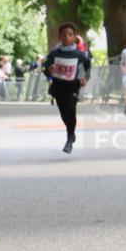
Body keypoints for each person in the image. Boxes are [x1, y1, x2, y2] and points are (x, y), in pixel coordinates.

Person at [43, 22, 91, 154]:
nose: (67, 37)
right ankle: (71, 131)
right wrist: (49, 70)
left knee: (71, 110)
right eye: (64, 35)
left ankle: (70, 137)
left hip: (73, 87)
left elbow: (88, 67)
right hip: (58, 87)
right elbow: (45, 68)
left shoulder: (79, 54)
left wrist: (84, 79)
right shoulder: (54, 53)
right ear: (60, 37)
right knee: (64, 113)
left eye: (70, 35)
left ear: (75, 37)